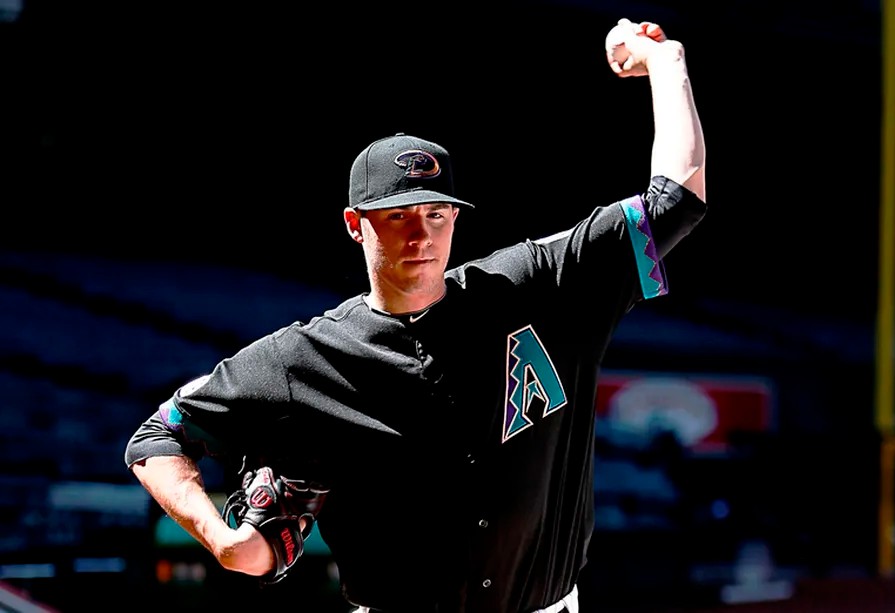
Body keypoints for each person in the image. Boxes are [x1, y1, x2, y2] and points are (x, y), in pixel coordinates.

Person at [124, 16, 707, 613]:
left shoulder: (536, 286)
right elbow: (156, 437)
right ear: (355, 224)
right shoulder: (302, 360)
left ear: (455, 217)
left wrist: (666, 64)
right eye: (398, 215)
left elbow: (675, 201)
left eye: (436, 213)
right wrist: (222, 541)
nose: (421, 234)